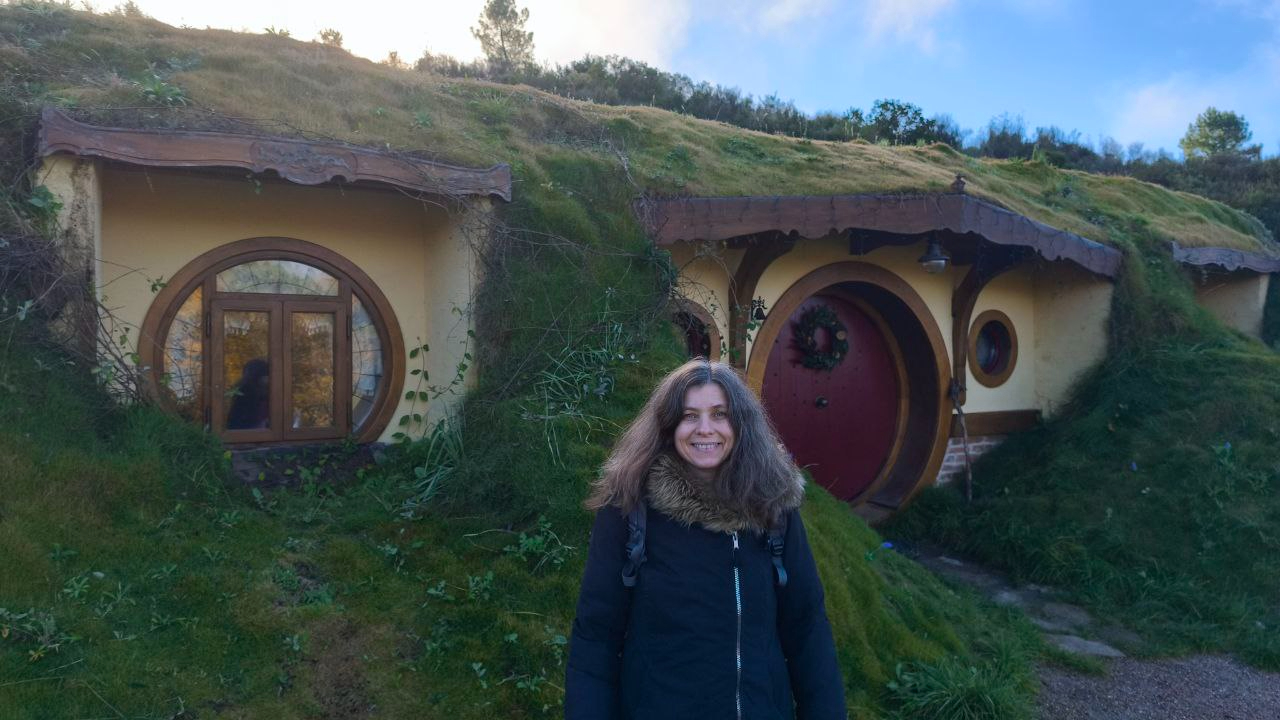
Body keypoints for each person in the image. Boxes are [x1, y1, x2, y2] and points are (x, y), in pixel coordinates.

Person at [566, 358, 846, 719]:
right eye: (689, 416)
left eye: (719, 414)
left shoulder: (773, 507)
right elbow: (596, 636)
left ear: (741, 423)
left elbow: (807, 628)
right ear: (669, 426)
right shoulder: (630, 509)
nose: (704, 429)